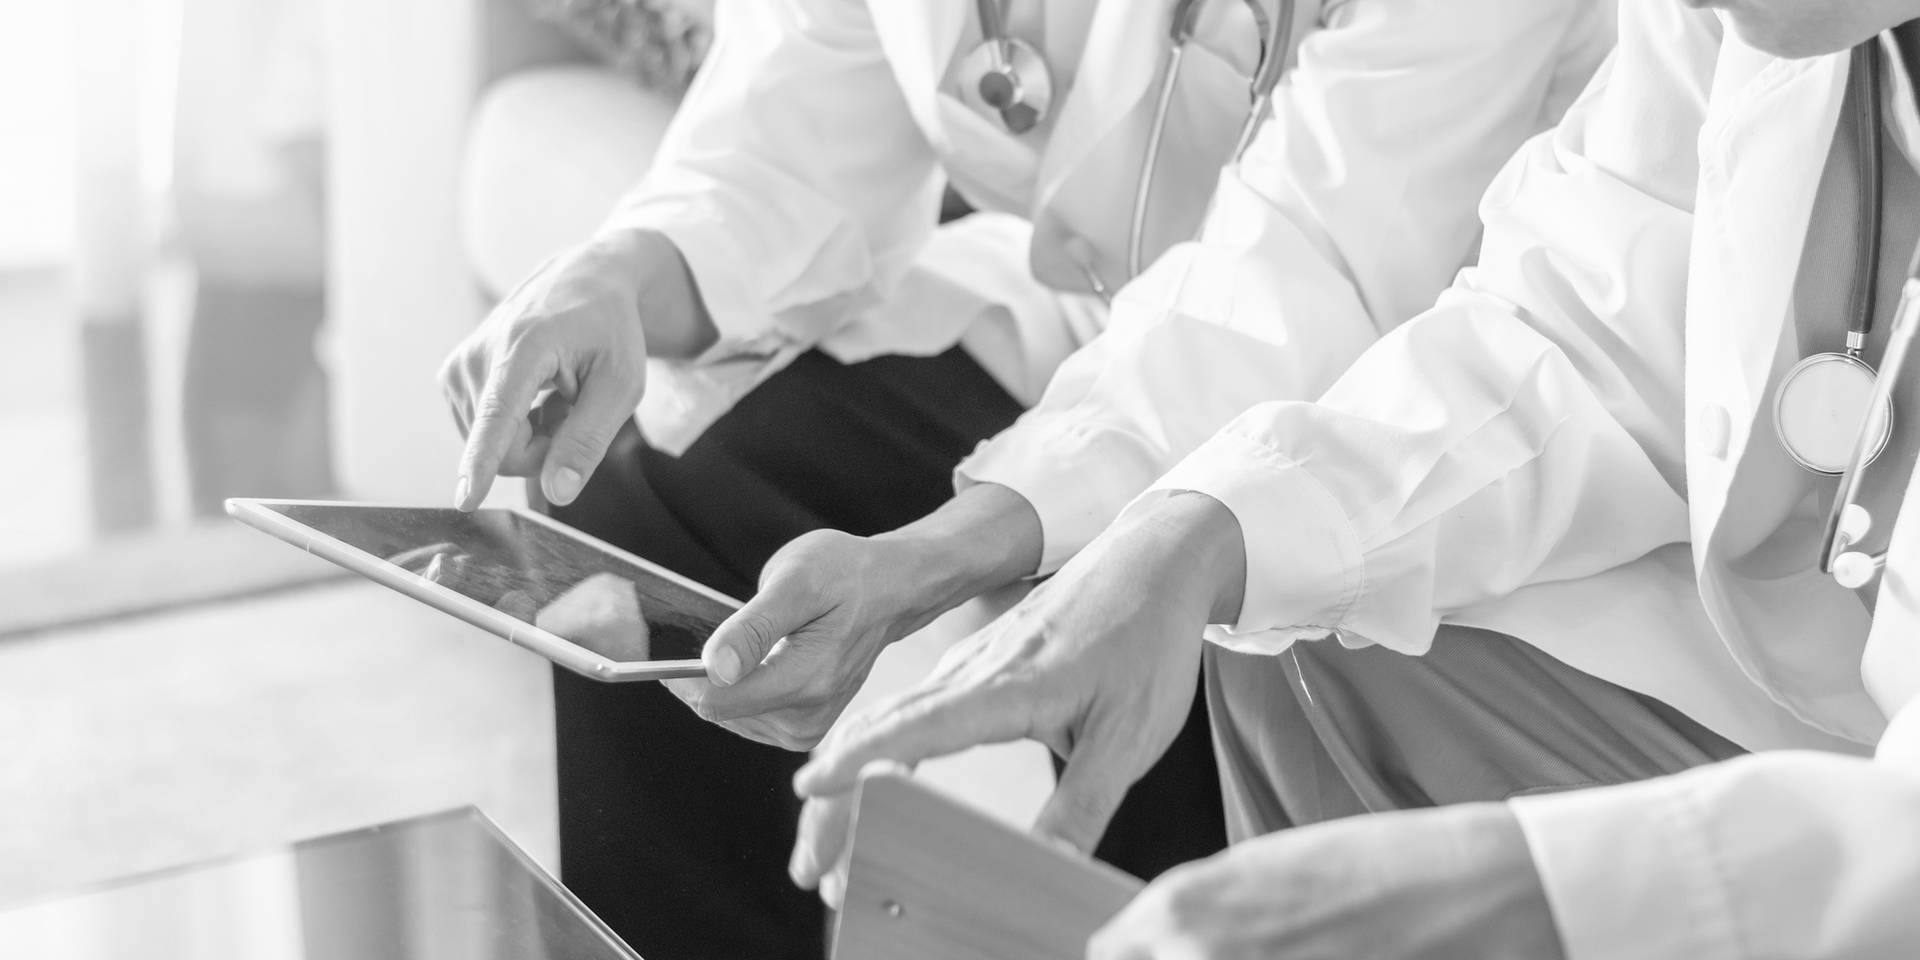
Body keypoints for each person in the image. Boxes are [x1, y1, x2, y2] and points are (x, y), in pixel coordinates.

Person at [439, 0, 1615, 956]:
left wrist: (947, 553)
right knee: (668, 507)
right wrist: (620, 274)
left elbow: (1313, 273)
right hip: (1089, 318)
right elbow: (798, 119)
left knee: (1164, 652)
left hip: (1399, 397)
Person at [786, 0, 1920, 954]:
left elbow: (1322, 249)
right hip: (1784, 626)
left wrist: (1532, 889)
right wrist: (1193, 537)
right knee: (1286, 629)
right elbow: (1582, 322)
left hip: (1870, 790)